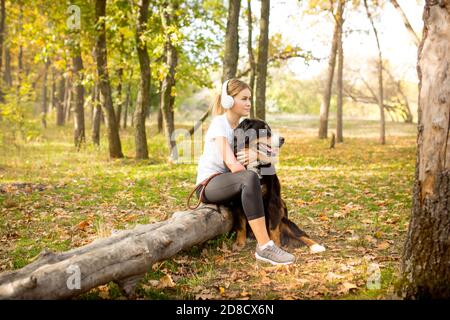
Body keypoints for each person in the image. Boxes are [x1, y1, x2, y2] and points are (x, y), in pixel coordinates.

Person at [194, 78, 295, 265]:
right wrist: (256, 156)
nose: (249, 103)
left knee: (253, 178)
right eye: (244, 98)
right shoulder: (219, 124)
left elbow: (270, 159)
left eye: (250, 99)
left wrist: (256, 154)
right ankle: (265, 247)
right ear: (229, 101)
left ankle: (265, 236)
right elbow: (234, 166)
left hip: (229, 184)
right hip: (209, 184)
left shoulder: (243, 127)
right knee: (249, 178)